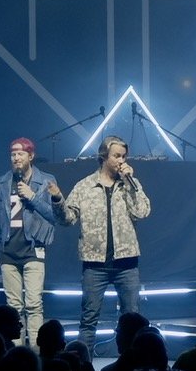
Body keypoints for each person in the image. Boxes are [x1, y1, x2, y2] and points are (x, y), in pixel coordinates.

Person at [58, 136, 153, 348]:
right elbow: (67, 219)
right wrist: (57, 200)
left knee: (133, 320)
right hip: (95, 265)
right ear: (104, 156)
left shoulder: (130, 184)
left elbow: (142, 212)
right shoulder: (85, 186)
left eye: (124, 156)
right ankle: (84, 365)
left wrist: (130, 184)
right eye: (117, 156)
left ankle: (132, 365)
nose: (121, 161)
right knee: (88, 320)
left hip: (126, 263)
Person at [0, 136, 67, 348]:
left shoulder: (46, 180)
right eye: (13, 154)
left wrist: (32, 196)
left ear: (31, 156)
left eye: (20, 153)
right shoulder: (1, 183)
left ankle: (37, 355)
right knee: (13, 307)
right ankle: (16, 354)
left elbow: (55, 216)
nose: (16, 158)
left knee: (34, 305)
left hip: (33, 249)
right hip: (8, 251)